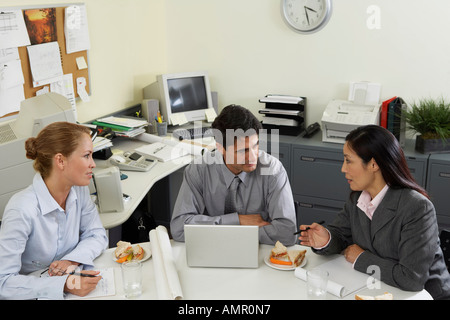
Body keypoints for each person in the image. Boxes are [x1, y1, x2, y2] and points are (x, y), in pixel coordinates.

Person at [298, 124, 450, 300]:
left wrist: (361, 258)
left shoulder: (417, 208)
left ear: (373, 164)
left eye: (348, 160)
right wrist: (327, 239)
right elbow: (340, 234)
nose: (343, 169)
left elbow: (411, 279)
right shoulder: (358, 198)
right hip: (378, 287)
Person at [0, 121, 109, 300]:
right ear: (60, 160)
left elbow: (96, 234)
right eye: (87, 156)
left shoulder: (78, 190)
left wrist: (71, 260)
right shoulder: (21, 210)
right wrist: (65, 284)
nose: (93, 164)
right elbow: (3, 283)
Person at [170, 104, 296, 245]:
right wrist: (239, 220)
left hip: (259, 252)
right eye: (243, 151)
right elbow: (179, 229)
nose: (252, 157)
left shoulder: (273, 170)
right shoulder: (199, 170)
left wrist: (218, 229)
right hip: (213, 250)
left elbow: (287, 233)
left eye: (256, 145)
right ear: (220, 148)